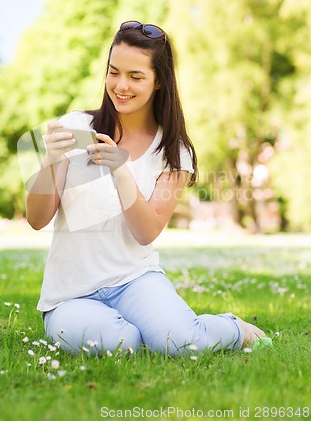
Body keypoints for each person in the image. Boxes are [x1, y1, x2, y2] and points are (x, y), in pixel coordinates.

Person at [26, 20, 266, 356]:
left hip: (136, 280)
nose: (120, 85)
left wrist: (121, 170)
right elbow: (36, 219)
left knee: (181, 344)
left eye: (135, 76)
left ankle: (232, 328)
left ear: (158, 82)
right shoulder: (76, 127)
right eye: (114, 72)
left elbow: (146, 231)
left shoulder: (173, 152)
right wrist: (51, 161)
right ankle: (134, 327)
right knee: (118, 344)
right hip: (70, 294)